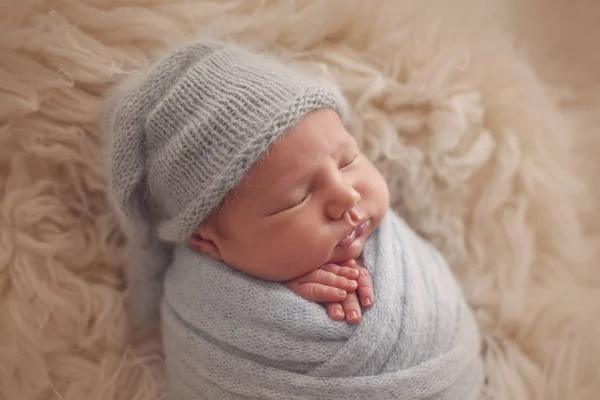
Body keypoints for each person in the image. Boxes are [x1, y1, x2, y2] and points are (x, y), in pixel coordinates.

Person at [104, 39, 483, 400]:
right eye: (297, 198)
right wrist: (271, 303)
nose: (347, 196)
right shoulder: (199, 309)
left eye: (348, 161)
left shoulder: (390, 246)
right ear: (209, 243)